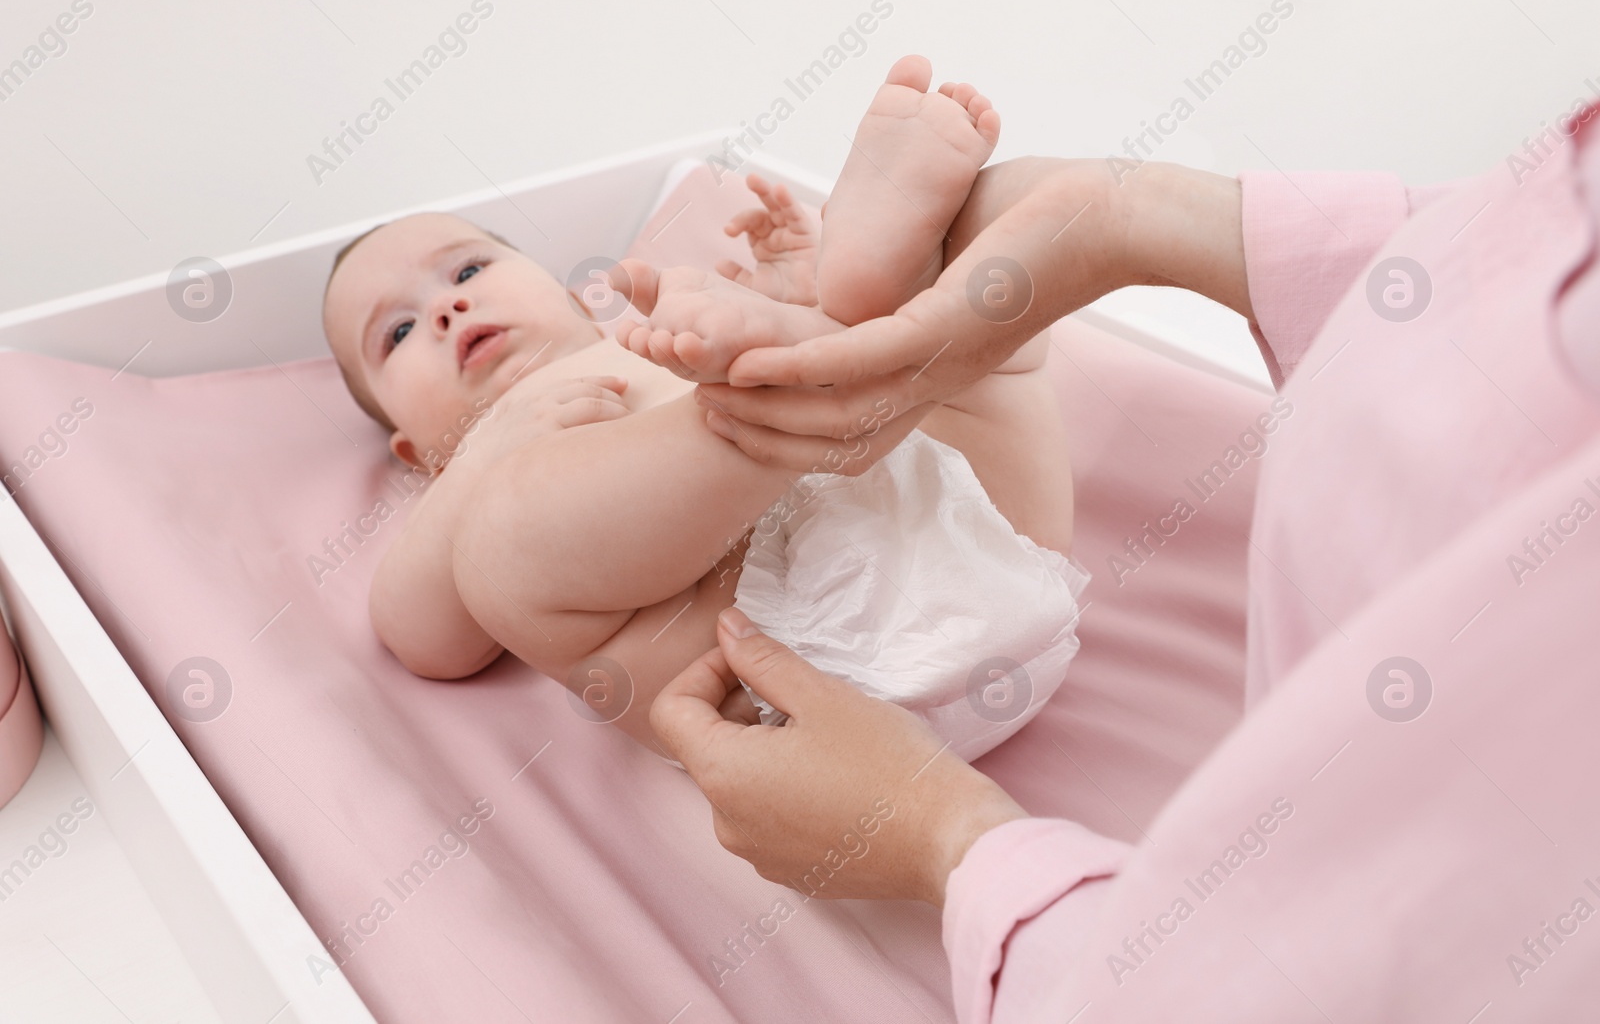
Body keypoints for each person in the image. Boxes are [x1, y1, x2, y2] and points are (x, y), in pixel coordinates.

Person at [648, 97, 1600, 1018]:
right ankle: (859, 292)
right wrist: (1125, 216)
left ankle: (835, 307)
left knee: (962, 409)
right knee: (975, 391)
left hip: (892, 644)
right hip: (1019, 593)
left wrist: (947, 838)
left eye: (489, 261)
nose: (487, 299)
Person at [317, 59, 1090, 762]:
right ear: (417, 452)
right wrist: (479, 463)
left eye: (469, 267)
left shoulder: (655, 334)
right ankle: (818, 370)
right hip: (785, 691)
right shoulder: (481, 467)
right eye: (398, 331)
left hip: (984, 543)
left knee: (945, 375)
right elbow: (423, 638)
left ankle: (895, 301)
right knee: (493, 548)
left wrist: (787, 294)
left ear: (574, 300)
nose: (447, 307)